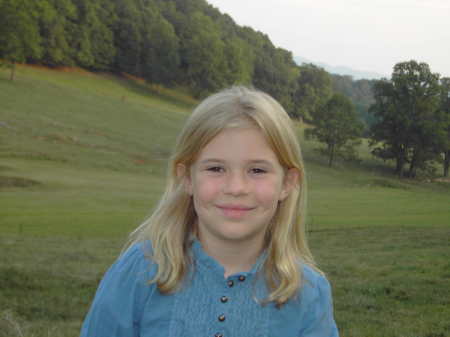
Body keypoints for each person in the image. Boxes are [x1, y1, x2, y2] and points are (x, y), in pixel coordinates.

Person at [80, 86, 339, 337]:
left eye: (257, 170)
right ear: (187, 178)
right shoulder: (141, 270)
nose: (236, 188)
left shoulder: (307, 292)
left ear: (288, 183)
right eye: (216, 168)